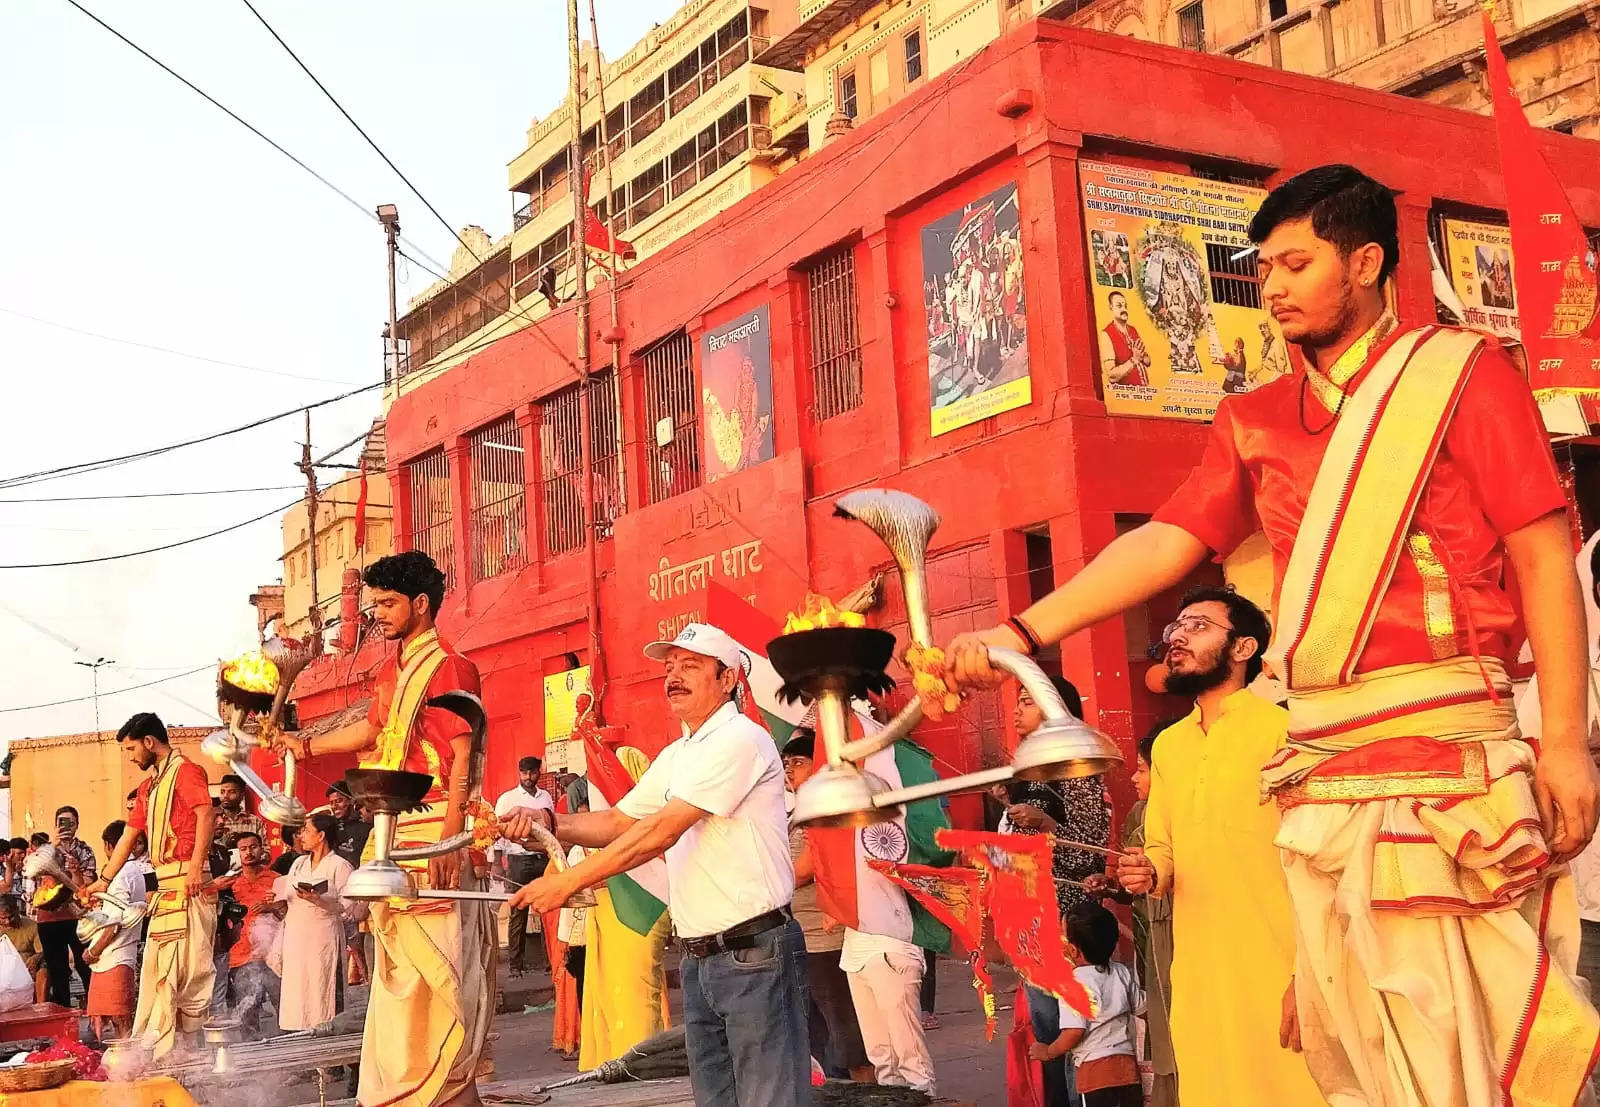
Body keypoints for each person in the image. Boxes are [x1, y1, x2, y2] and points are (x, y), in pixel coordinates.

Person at [934, 164, 1600, 1107]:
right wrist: (1019, 628)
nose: (1273, 286)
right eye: (1266, 267)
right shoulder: (1252, 418)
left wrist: (1566, 742)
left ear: (1365, 262)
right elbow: (1171, 537)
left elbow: (1543, 554)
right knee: (1360, 1051)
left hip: (1451, 755)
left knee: (1468, 1046)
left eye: (1296, 262)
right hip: (1324, 768)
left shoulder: (1464, 373)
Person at [505, 623, 807, 1107]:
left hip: (755, 954)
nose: (674, 678)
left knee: (769, 1099)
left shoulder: (740, 739)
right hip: (701, 959)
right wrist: (545, 821)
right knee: (716, 1098)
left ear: (727, 679)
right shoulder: (678, 754)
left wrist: (569, 881)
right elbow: (621, 820)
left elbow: (661, 831)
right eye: (670, 669)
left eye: (690, 667)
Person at [274, 550, 491, 1107]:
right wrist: (307, 744)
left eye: (389, 604)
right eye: (374, 605)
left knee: (439, 983)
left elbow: (461, 758)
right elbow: (373, 731)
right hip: (389, 838)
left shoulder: (450, 666)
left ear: (421, 604)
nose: (380, 615)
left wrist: (450, 835)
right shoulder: (393, 667)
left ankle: (446, 1095)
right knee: (394, 982)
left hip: (431, 834)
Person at [1000, 675, 1106, 1106]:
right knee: (1045, 1032)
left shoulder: (1073, 764)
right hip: (1031, 922)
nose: (1016, 709)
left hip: (1064, 926)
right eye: (1017, 700)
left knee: (1066, 1032)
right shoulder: (1028, 771)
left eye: (1027, 700)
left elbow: (1091, 848)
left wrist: (1044, 825)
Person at [91, 712, 219, 1059]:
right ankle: (168, 1054)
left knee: (191, 973)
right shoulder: (148, 788)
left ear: (150, 742)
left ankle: (191, 1053)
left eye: (132, 748)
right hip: (165, 889)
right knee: (159, 973)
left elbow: (206, 815)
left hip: (190, 883)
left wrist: (195, 866)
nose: (131, 757)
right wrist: (101, 881)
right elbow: (130, 835)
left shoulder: (188, 771)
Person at [1088, 724, 1179, 1107]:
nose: (1134, 777)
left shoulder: (1183, 814)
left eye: (1143, 769)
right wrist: (1111, 887)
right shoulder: (1139, 815)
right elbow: (1136, 888)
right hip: (1149, 943)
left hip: (1179, 938)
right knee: (1161, 1035)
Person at [782, 730, 872, 1083]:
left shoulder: (822, 812)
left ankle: (868, 1093)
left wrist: (763, 886)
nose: (790, 770)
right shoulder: (799, 812)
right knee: (819, 1030)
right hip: (803, 934)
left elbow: (804, 869)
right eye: (786, 763)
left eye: (799, 763)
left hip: (825, 936)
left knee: (844, 1028)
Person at [1029, 903, 1142, 1107]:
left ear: (1072, 950)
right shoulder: (1121, 972)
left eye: (1061, 934)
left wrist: (1048, 1052)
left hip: (1094, 1073)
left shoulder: (1072, 983)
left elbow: (1074, 1031)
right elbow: (1143, 1006)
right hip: (1127, 1068)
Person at [275, 813, 352, 1034]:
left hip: (323, 937)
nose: (301, 836)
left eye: (306, 831)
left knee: (322, 989)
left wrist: (317, 899)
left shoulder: (340, 865)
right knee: (297, 991)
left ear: (321, 835)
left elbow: (345, 907)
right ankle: (299, 1040)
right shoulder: (299, 863)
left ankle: (329, 1049)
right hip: (296, 936)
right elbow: (288, 895)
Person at [83, 820, 147, 1042]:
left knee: (120, 1019)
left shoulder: (123, 873)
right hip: (111, 956)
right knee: (109, 1019)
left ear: (111, 846)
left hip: (114, 955)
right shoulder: (129, 871)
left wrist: (93, 951)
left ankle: (125, 1063)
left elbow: (115, 922)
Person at [492, 756, 554, 977]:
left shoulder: (545, 798)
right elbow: (496, 833)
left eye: (532, 773)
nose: (528, 777)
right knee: (518, 913)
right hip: (518, 861)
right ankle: (515, 967)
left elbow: (551, 830)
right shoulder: (507, 799)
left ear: (539, 772)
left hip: (542, 859)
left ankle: (551, 962)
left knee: (549, 911)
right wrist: (497, 863)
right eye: (524, 773)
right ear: (519, 773)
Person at [216, 830, 281, 1040]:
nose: (248, 853)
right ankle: (252, 1062)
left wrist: (271, 907)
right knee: (247, 1014)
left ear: (262, 849)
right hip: (241, 956)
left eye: (253, 847)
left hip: (273, 955)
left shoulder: (277, 879)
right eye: (243, 849)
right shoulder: (230, 885)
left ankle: (291, 1058)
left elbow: (287, 913)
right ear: (237, 853)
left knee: (285, 1008)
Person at [37, 805, 96, 1007]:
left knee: (85, 964)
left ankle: (94, 1010)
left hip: (77, 918)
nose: (65, 826)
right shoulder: (45, 852)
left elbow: (85, 889)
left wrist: (75, 872)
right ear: (55, 825)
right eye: (61, 821)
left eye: (70, 822)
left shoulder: (85, 850)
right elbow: (40, 889)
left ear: (77, 825)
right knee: (58, 969)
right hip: (49, 919)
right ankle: (63, 1018)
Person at [1099, 290, 1152, 387]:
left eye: (1125, 306)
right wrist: (1134, 359)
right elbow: (1112, 376)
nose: (1124, 309)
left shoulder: (1132, 330)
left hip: (1146, 392)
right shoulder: (1107, 334)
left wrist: (1143, 356)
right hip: (1127, 395)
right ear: (1111, 307)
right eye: (1119, 306)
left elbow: (1147, 361)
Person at [213, 775, 266, 869]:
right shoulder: (213, 821)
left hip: (250, 874)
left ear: (242, 795)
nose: (225, 796)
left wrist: (248, 852)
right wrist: (224, 846)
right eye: (222, 792)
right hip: (221, 876)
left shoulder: (255, 821)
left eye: (231, 792)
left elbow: (266, 853)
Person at [0, 895, 46, 1003]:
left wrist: (36, 958)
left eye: (11, 917)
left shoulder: (31, 926)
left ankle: (41, 1007)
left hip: (26, 969)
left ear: (17, 910)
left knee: (45, 967)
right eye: (3, 918)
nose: (7, 921)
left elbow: (41, 951)